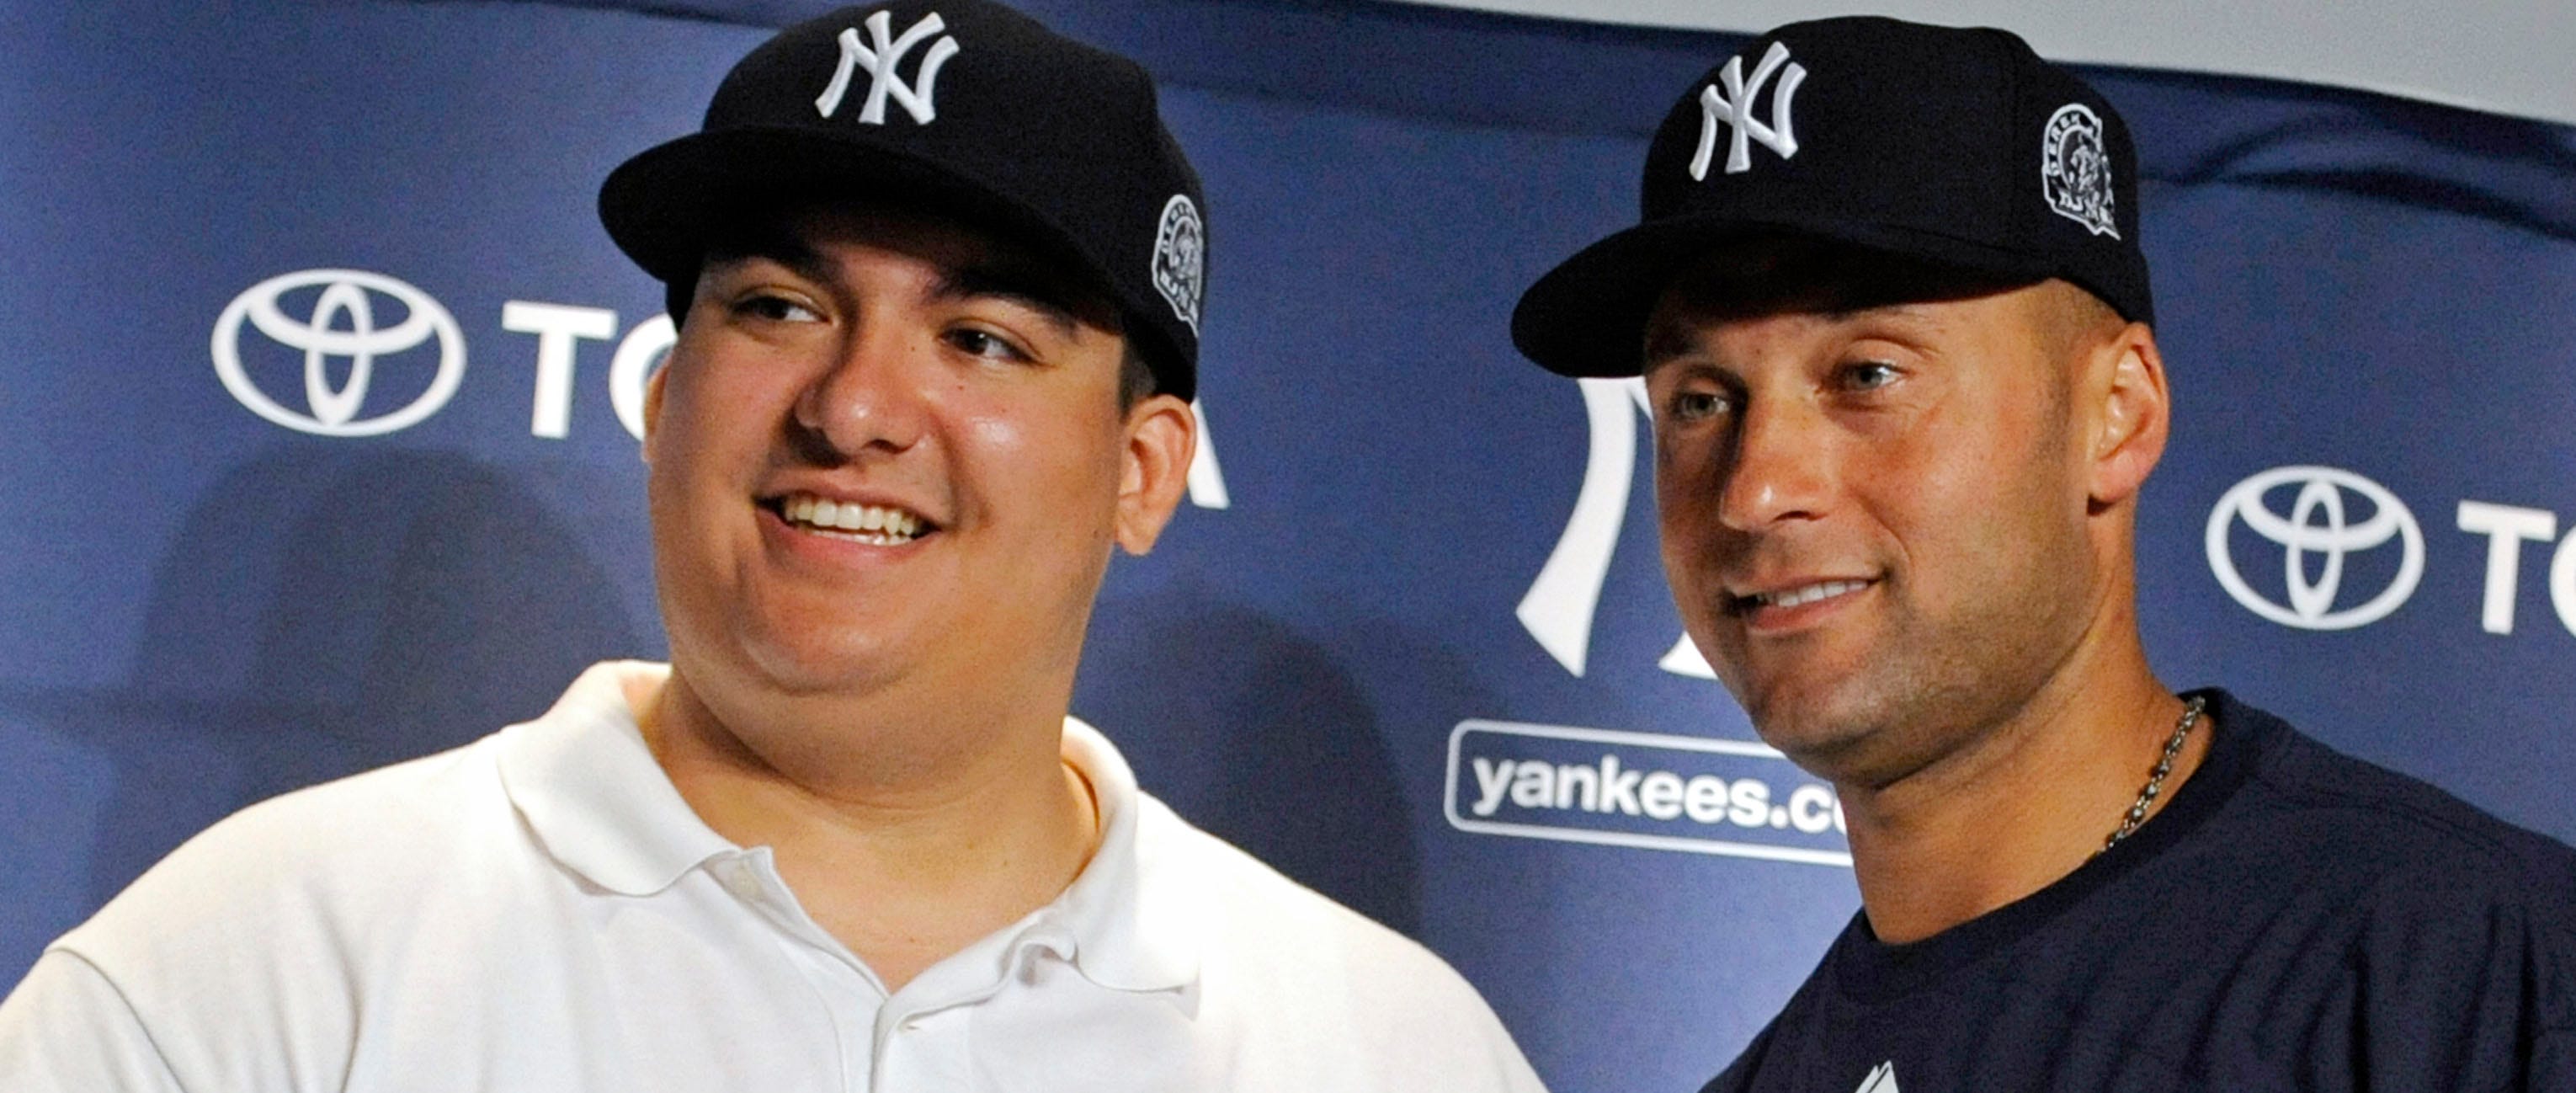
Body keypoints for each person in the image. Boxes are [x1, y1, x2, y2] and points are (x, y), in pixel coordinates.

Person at [0, 4, 1546, 1090]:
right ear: (668, 402)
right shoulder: (259, 955)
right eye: (781, 308)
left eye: (986, 338)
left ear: (1143, 472)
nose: (858, 404)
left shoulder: (1387, 1047)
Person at [1509, 15, 2576, 1092]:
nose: (1756, 488)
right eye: (1700, 400)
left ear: (2116, 414)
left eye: (1868, 373)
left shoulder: (2465, 979)